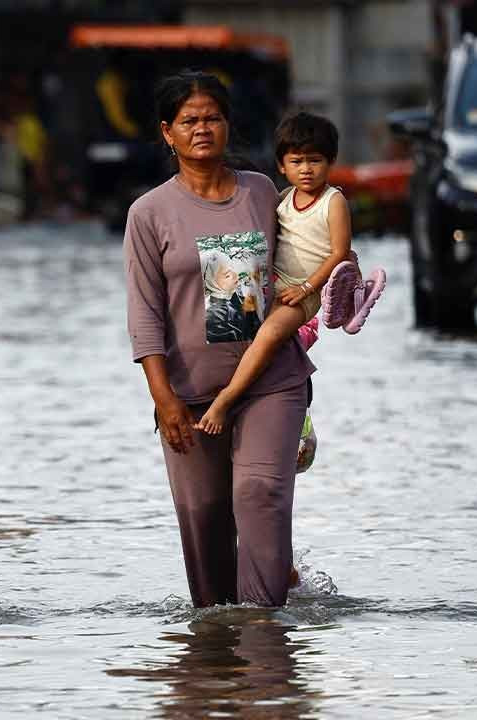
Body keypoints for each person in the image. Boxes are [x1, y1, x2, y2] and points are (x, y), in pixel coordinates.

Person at [124, 72, 315, 608]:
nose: (202, 129)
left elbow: (302, 265)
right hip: (189, 391)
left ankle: (263, 625)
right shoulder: (149, 213)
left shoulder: (261, 192)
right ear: (168, 133)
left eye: (212, 118)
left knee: (260, 494)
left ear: (228, 125)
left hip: (271, 381)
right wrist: (164, 400)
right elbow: (143, 315)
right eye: (189, 121)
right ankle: (214, 656)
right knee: (205, 522)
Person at [195, 112, 386, 434]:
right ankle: (225, 383)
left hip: (306, 292)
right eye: (297, 161)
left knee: (269, 335)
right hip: (276, 283)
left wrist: (307, 289)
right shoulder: (283, 199)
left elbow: (339, 252)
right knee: (230, 317)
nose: (306, 169)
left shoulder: (333, 202)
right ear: (282, 166)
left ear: (331, 162)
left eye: (315, 160)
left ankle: (225, 400)